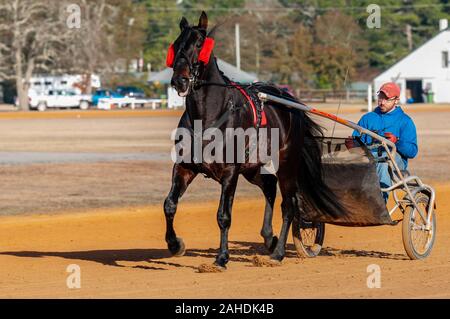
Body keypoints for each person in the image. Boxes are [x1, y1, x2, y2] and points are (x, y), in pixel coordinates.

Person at [352, 82, 418, 202]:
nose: (382, 102)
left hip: (394, 163)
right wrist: (352, 145)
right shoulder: (367, 118)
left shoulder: (405, 121)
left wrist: (396, 142)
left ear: (396, 100)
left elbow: (412, 152)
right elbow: (356, 141)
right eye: (380, 98)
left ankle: (380, 206)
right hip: (370, 159)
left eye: (387, 99)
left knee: (383, 162)